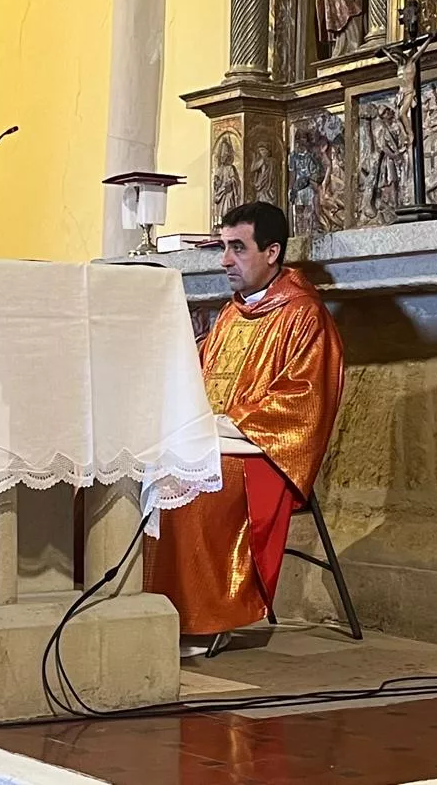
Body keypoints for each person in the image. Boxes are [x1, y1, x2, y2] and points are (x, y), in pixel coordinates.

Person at [144, 202, 345, 657]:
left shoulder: (303, 316)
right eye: (223, 247)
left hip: (267, 454)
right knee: (137, 470)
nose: (224, 259)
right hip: (215, 441)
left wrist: (226, 426)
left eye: (237, 248)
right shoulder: (234, 313)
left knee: (192, 488)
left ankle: (202, 621)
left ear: (272, 252)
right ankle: (140, 613)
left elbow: (303, 400)